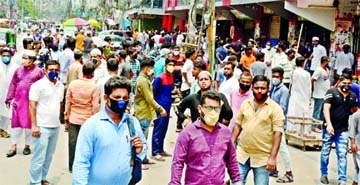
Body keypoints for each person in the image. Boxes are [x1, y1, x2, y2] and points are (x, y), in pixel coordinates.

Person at [72, 76, 147, 184]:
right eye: (117, 97)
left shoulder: (132, 122)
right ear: (106, 98)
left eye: (125, 98)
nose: (121, 101)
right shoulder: (92, 125)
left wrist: (139, 151)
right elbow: (81, 162)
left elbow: (142, 149)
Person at [170, 92, 241, 185]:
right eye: (209, 108)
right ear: (200, 108)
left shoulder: (225, 133)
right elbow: (177, 163)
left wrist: (236, 181)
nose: (213, 112)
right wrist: (175, 183)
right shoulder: (187, 133)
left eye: (216, 109)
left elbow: (232, 161)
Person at [232, 75, 284, 185]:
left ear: (268, 89)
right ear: (252, 88)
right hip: (242, 154)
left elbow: (278, 134)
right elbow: (238, 125)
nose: (259, 91)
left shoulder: (275, 109)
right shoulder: (246, 104)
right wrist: (231, 144)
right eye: (256, 88)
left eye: (263, 88)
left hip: (262, 158)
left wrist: (273, 157)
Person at [28, 60, 64, 185]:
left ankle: (43, 178)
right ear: (45, 71)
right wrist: (34, 126)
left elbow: (59, 104)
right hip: (42, 126)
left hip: (55, 126)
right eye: (51, 69)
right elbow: (32, 106)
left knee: (48, 157)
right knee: (39, 157)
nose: (54, 72)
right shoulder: (37, 86)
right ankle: (35, 182)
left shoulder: (60, 86)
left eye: (56, 70)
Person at [320, 74, 358, 185]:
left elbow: (356, 111)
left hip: (343, 130)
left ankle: (342, 179)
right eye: (344, 83)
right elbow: (326, 109)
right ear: (340, 82)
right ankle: (324, 174)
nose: (346, 85)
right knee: (325, 152)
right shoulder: (331, 93)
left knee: (342, 154)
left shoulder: (353, 96)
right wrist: (329, 125)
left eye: (349, 83)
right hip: (329, 129)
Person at [5, 50, 44, 158]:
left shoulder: (39, 72)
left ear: (32, 60)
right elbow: (13, 84)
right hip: (18, 102)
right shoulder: (18, 70)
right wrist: (9, 98)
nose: (23, 60)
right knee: (15, 126)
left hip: (31, 104)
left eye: (25, 58)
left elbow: (43, 87)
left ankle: (27, 146)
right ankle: (13, 146)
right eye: (23, 57)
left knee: (28, 126)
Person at [65, 62, 100, 172]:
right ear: (92, 73)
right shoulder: (93, 86)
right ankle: (86, 165)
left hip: (74, 118)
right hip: (88, 119)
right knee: (88, 144)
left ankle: (72, 166)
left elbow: (68, 102)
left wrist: (66, 116)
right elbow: (95, 105)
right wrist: (96, 119)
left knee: (72, 143)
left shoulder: (73, 84)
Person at [135, 57, 167, 168]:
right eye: (151, 68)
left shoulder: (145, 79)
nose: (152, 70)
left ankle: (143, 158)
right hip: (143, 112)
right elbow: (149, 98)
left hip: (146, 111)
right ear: (146, 68)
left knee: (144, 136)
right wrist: (160, 109)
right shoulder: (143, 81)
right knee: (141, 137)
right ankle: (139, 161)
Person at [269, 67, 294, 183]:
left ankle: (289, 173)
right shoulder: (273, 88)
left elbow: (282, 108)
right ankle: (273, 169)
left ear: (282, 78)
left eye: (277, 77)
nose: (274, 79)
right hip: (272, 122)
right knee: (272, 147)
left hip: (279, 123)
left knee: (282, 149)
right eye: (273, 76)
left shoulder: (283, 90)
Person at [152, 59, 175, 160]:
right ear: (165, 66)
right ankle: (155, 151)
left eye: (173, 65)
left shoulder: (171, 77)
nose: (172, 67)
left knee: (164, 128)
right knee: (158, 127)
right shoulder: (160, 78)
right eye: (170, 64)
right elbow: (153, 90)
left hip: (168, 105)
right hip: (160, 106)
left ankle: (160, 149)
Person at [287, 57, 311, 132]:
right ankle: (304, 130)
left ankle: (291, 129)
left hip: (294, 95)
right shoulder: (307, 74)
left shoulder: (293, 72)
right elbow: (309, 87)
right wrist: (309, 98)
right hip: (304, 96)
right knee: (304, 113)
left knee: (293, 111)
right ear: (302, 63)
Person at [311, 56, 331, 132]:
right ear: (324, 62)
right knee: (317, 111)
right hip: (319, 93)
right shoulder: (318, 70)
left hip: (325, 94)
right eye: (328, 62)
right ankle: (314, 126)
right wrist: (312, 89)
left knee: (323, 111)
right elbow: (312, 79)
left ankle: (320, 126)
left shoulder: (326, 70)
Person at [349, 110, 360, 185]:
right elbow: (352, 131)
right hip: (358, 146)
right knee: (358, 167)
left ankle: (355, 182)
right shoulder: (356, 115)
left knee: (358, 169)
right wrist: (353, 143)